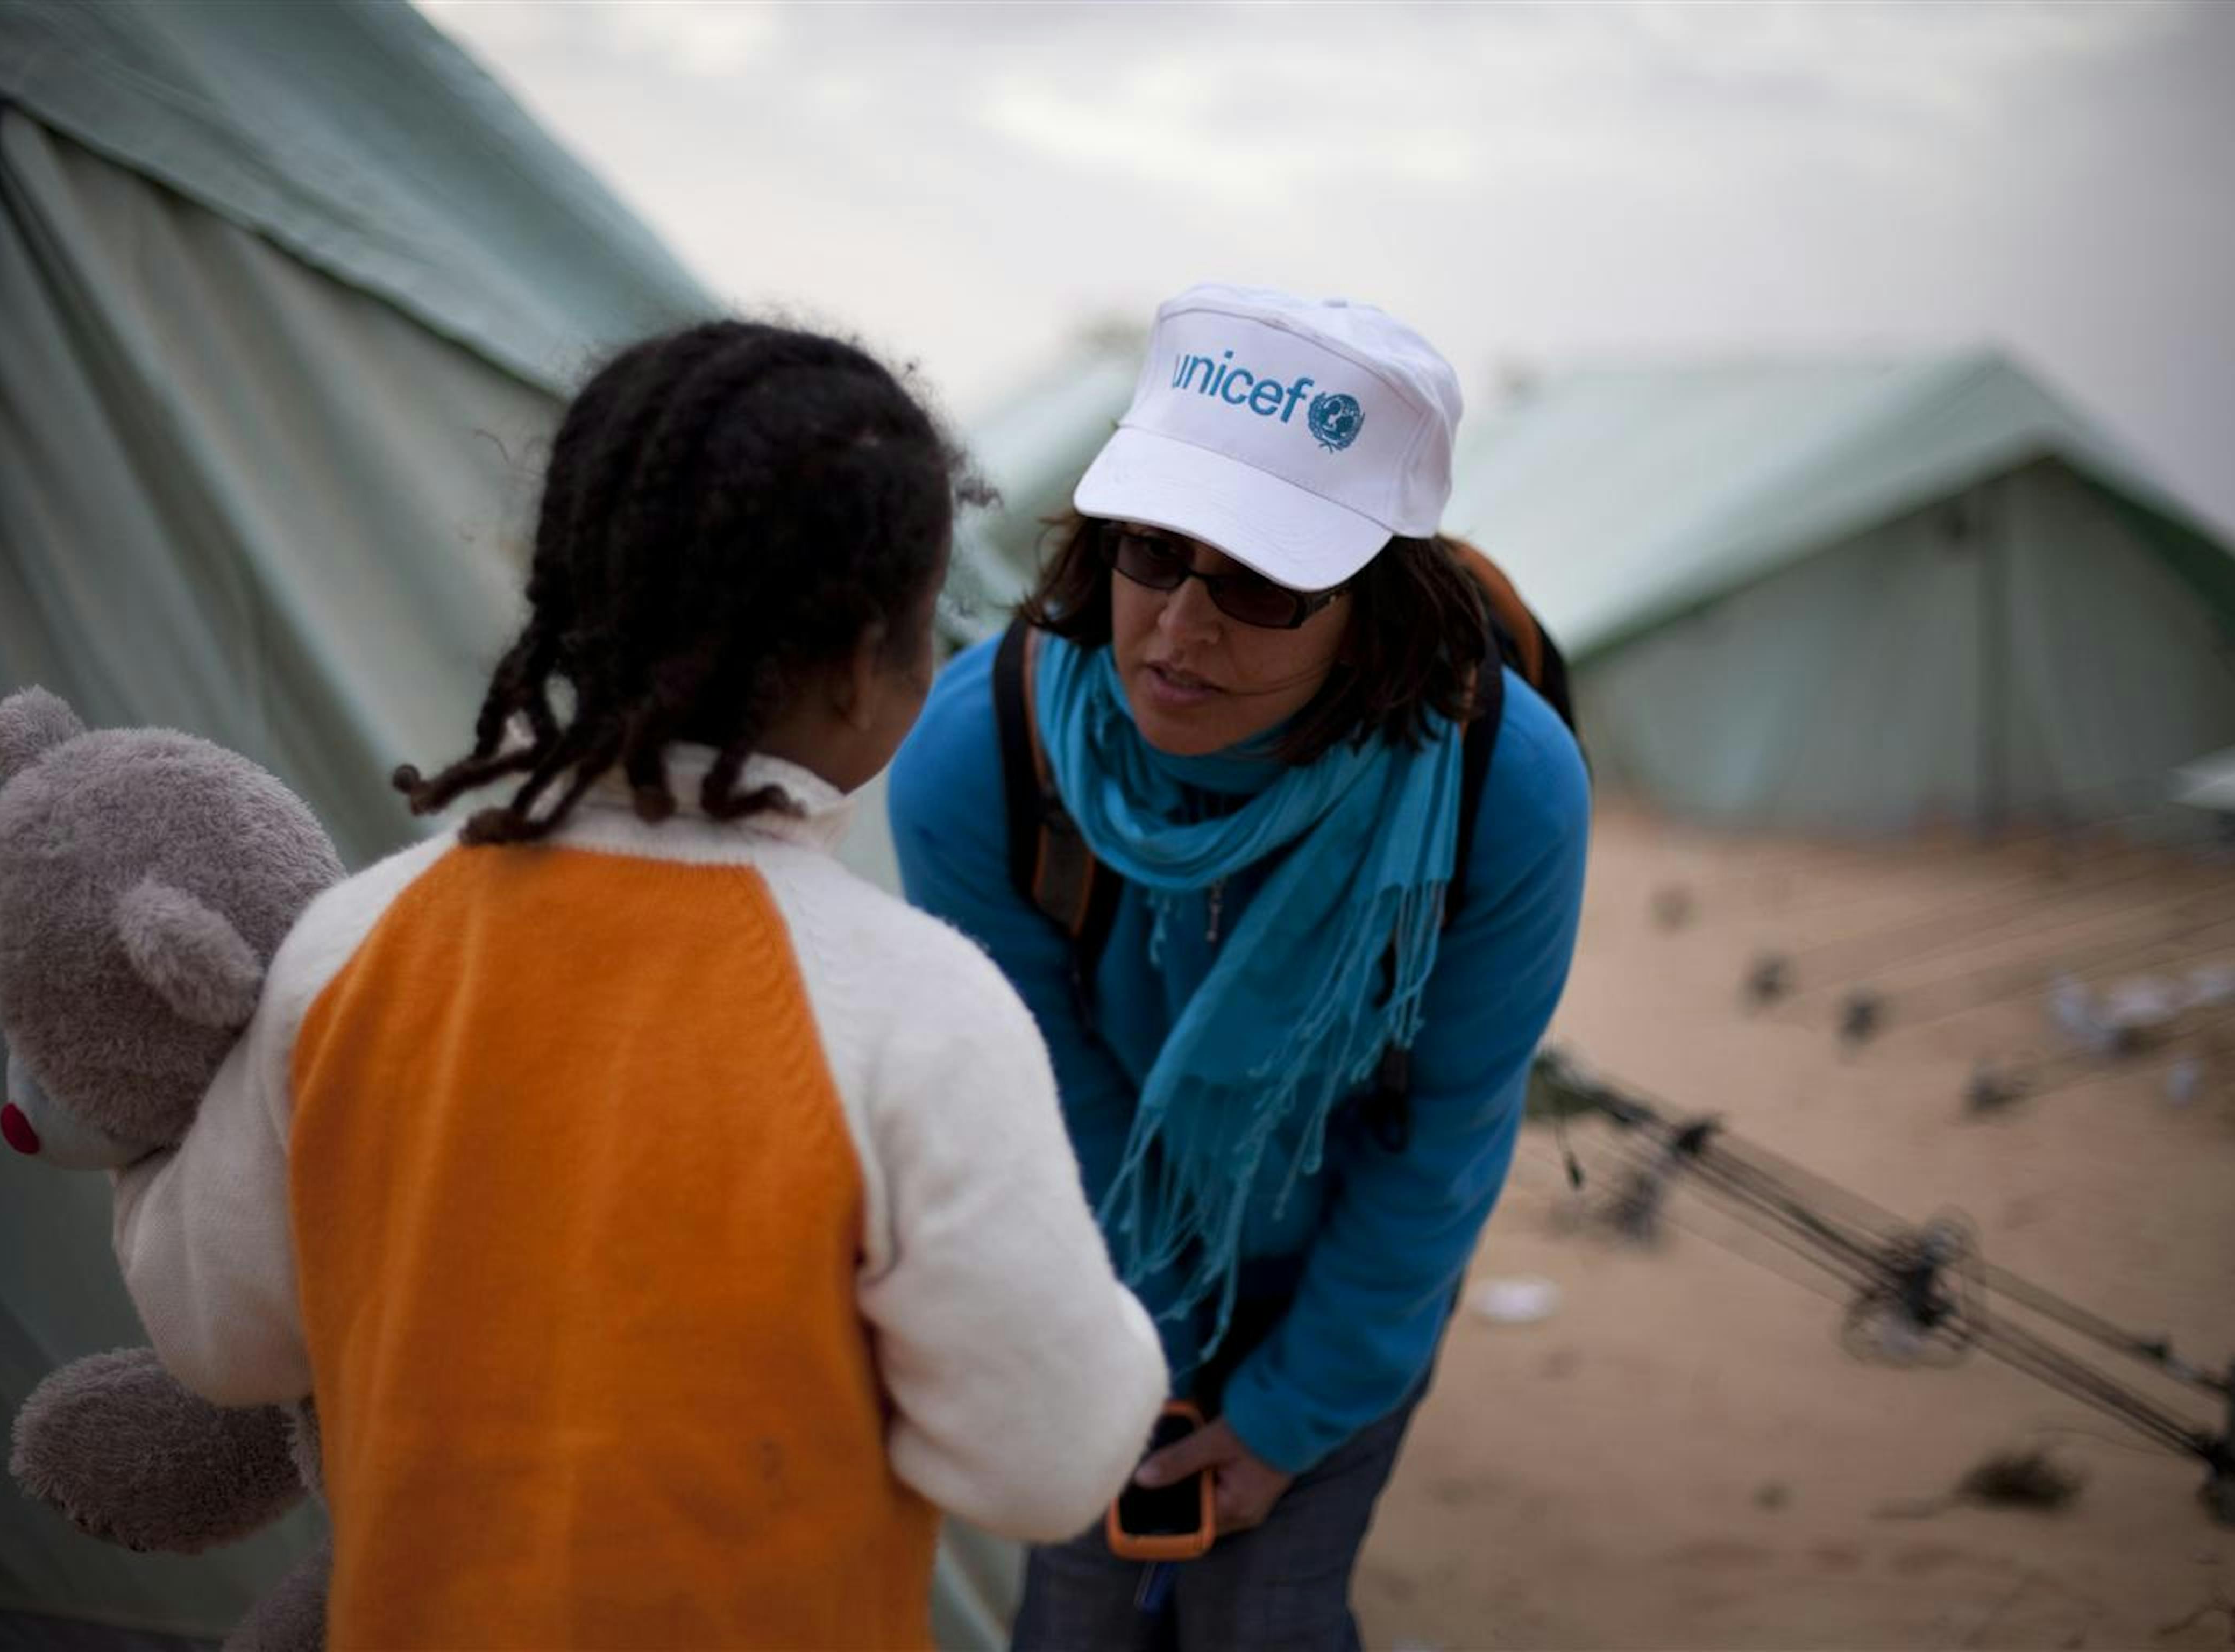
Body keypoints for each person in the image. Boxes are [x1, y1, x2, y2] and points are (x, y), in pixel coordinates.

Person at [109, 322, 1167, 1648]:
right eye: (926, 624)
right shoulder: (918, 1011)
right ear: (862, 664)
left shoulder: (354, 945)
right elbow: (1045, 1464)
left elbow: (223, 1344)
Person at [890, 284, 1590, 1648]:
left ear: (1377, 601)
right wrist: (1141, 1366)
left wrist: (1286, 1416)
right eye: (1152, 550)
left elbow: (1445, 1130)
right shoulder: (983, 757)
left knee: (1267, 1612)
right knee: (1079, 1610)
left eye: (1264, 580)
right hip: (1088, 1264)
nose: (1178, 629)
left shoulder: (1505, 790)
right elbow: (1047, 1097)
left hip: (1356, 1260)